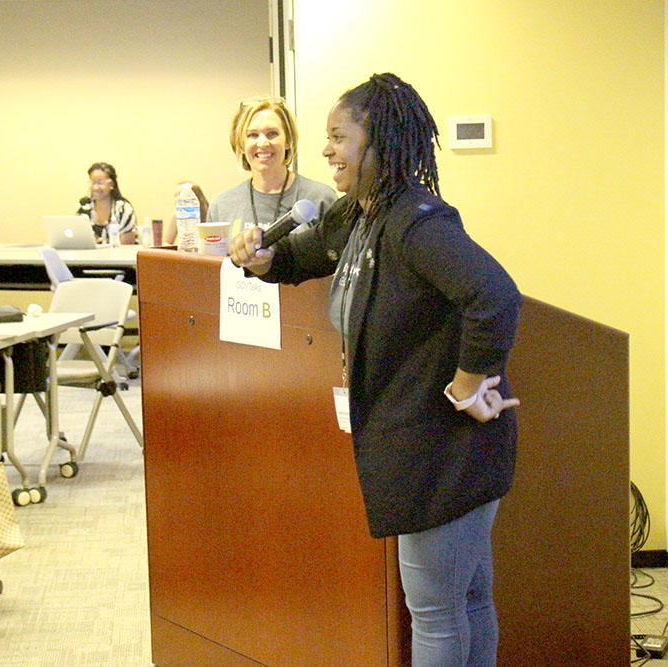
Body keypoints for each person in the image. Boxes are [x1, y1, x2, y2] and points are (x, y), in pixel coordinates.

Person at [229, 73, 522, 666]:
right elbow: (303, 253)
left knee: (438, 612)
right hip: (424, 443)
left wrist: (468, 383)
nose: (326, 150)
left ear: (380, 142)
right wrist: (263, 259)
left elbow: (494, 296)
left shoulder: (416, 222)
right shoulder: (362, 214)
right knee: (465, 599)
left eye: (339, 137)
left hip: (445, 449)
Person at [206, 96, 337, 233]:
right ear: (240, 144)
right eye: (253, 135)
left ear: (288, 140)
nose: (263, 143)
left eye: (272, 134)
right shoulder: (221, 206)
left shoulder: (321, 199)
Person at [77, 162, 136, 245]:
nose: (95, 187)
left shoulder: (123, 208)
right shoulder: (84, 206)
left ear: (112, 184)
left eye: (100, 183)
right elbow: (79, 239)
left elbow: (127, 245)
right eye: (93, 183)